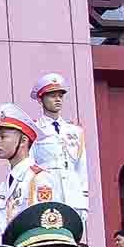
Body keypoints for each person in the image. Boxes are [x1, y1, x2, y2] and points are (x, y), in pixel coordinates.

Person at [29, 73, 90, 212]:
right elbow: (30, 166)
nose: (57, 99)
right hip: (47, 193)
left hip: (73, 196)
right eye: (52, 96)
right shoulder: (34, 129)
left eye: (60, 96)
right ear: (40, 99)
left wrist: (84, 200)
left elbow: (81, 167)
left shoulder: (75, 131)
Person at [0, 105, 57, 233]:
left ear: (23, 141)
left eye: (3, 137)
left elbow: (43, 229)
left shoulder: (38, 178)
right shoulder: (4, 185)